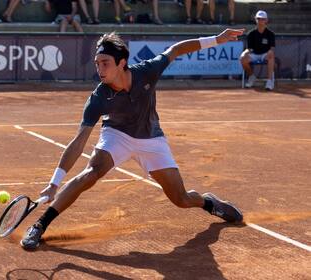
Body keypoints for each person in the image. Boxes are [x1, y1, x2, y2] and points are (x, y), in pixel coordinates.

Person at [20, 28, 245, 250]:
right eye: (97, 63)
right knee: (91, 173)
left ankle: (209, 203)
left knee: (181, 199)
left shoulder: (147, 71)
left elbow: (176, 50)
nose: (99, 68)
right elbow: (79, 142)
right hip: (117, 135)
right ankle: (40, 225)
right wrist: (53, 184)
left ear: (122, 62)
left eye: (105, 62)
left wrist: (216, 39)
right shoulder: (98, 98)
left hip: (151, 138)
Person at [240, 10, 275, 90]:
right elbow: (249, 49)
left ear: (266, 20)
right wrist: (244, 53)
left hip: (265, 55)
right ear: (256, 20)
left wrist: (270, 52)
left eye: (262, 19)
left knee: (271, 54)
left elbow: (272, 48)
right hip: (254, 54)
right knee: (242, 59)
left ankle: (269, 81)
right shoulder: (251, 34)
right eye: (258, 19)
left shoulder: (270, 34)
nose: (260, 21)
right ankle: (252, 77)